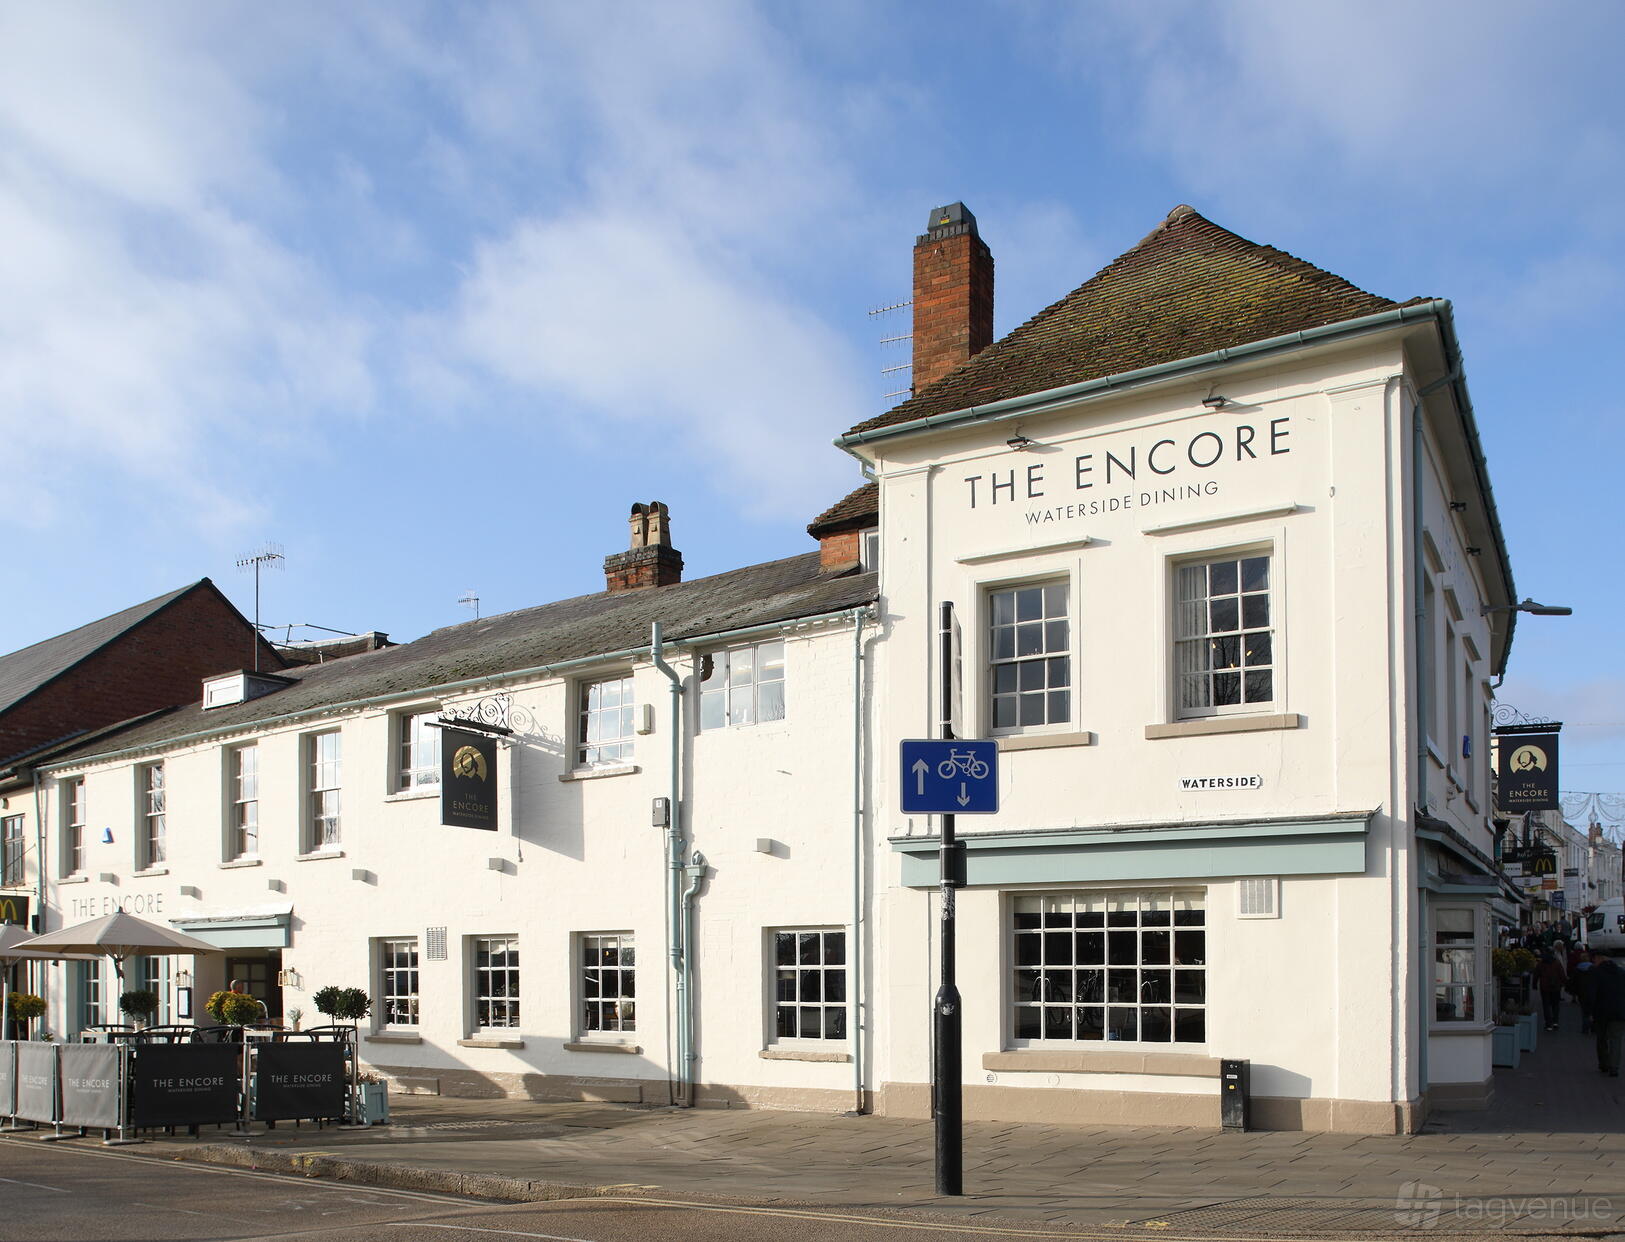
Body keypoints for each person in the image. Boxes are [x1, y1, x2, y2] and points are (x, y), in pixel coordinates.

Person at [1590, 952, 1625, 1077]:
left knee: (1602, 1038)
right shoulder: (1621, 972)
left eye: (1594, 959)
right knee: (1616, 1039)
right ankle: (1614, 1066)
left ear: (1600, 959)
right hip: (1619, 1011)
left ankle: (1604, 1063)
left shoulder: (1596, 973)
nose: (1593, 961)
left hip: (1602, 1011)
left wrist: (1590, 1012)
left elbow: (1592, 994)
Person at [1535, 948, 1567, 1031]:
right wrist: (1564, 983)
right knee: (1555, 1005)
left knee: (1546, 1005)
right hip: (1555, 986)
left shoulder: (1541, 963)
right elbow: (1562, 974)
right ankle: (1555, 1021)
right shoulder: (1557, 963)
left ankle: (1548, 1023)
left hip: (1544, 986)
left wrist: (1534, 984)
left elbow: (1536, 974)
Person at [1571, 951, 1598, 1034]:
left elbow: (1574, 982)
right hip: (1593, 992)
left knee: (1584, 1011)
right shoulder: (1594, 968)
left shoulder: (1577, 969)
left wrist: (1574, 993)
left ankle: (1585, 1028)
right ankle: (1593, 1027)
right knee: (1594, 1010)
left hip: (1582, 993)